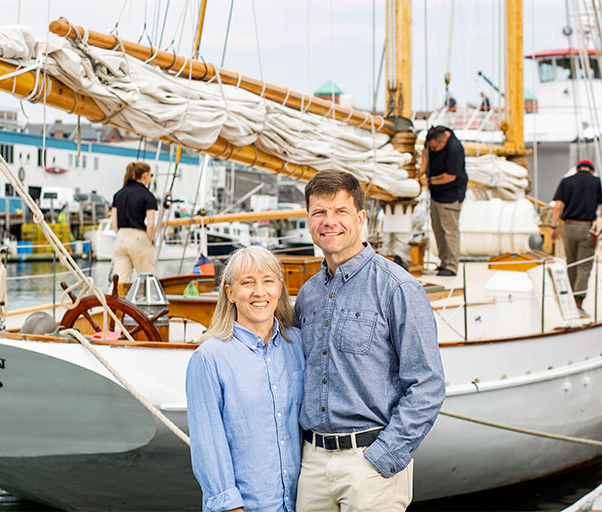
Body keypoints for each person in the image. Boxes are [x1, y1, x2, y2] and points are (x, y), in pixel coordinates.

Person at [294, 170, 445, 512]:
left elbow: (427, 384)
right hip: (314, 463)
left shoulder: (398, 288)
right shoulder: (307, 295)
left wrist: (384, 456)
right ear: (308, 220)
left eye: (340, 211)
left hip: (370, 461)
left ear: (361, 218)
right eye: (319, 212)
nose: (329, 221)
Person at [186, 246, 304, 512]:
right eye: (247, 283)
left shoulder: (298, 344)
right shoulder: (209, 358)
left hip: (301, 503)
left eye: (268, 281)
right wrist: (230, 507)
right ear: (230, 292)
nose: (259, 292)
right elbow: (208, 444)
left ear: (279, 288)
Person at [550, 159, 602, 313]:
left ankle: (568, 298)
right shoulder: (596, 182)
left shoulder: (566, 181)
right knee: (584, 266)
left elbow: (558, 206)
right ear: (592, 170)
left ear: (577, 169)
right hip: (586, 229)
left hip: (568, 228)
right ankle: (578, 302)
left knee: (571, 263)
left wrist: (553, 227)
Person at [417, 125, 468, 276]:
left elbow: (450, 176)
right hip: (436, 194)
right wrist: (423, 167)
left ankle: (451, 266)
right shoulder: (433, 138)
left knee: (450, 231)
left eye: (435, 148)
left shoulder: (455, 149)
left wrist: (429, 181)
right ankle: (444, 262)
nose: (433, 150)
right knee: (438, 229)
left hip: (450, 195)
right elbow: (426, 150)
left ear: (444, 140)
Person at [110, 161, 157, 283]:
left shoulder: (118, 195)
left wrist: (120, 234)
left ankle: (111, 302)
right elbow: (151, 225)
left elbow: (114, 223)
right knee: (147, 279)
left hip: (121, 237)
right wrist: (150, 240)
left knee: (118, 281)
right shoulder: (148, 196)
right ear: (145, 175)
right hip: (139, 238)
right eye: (151, 176)